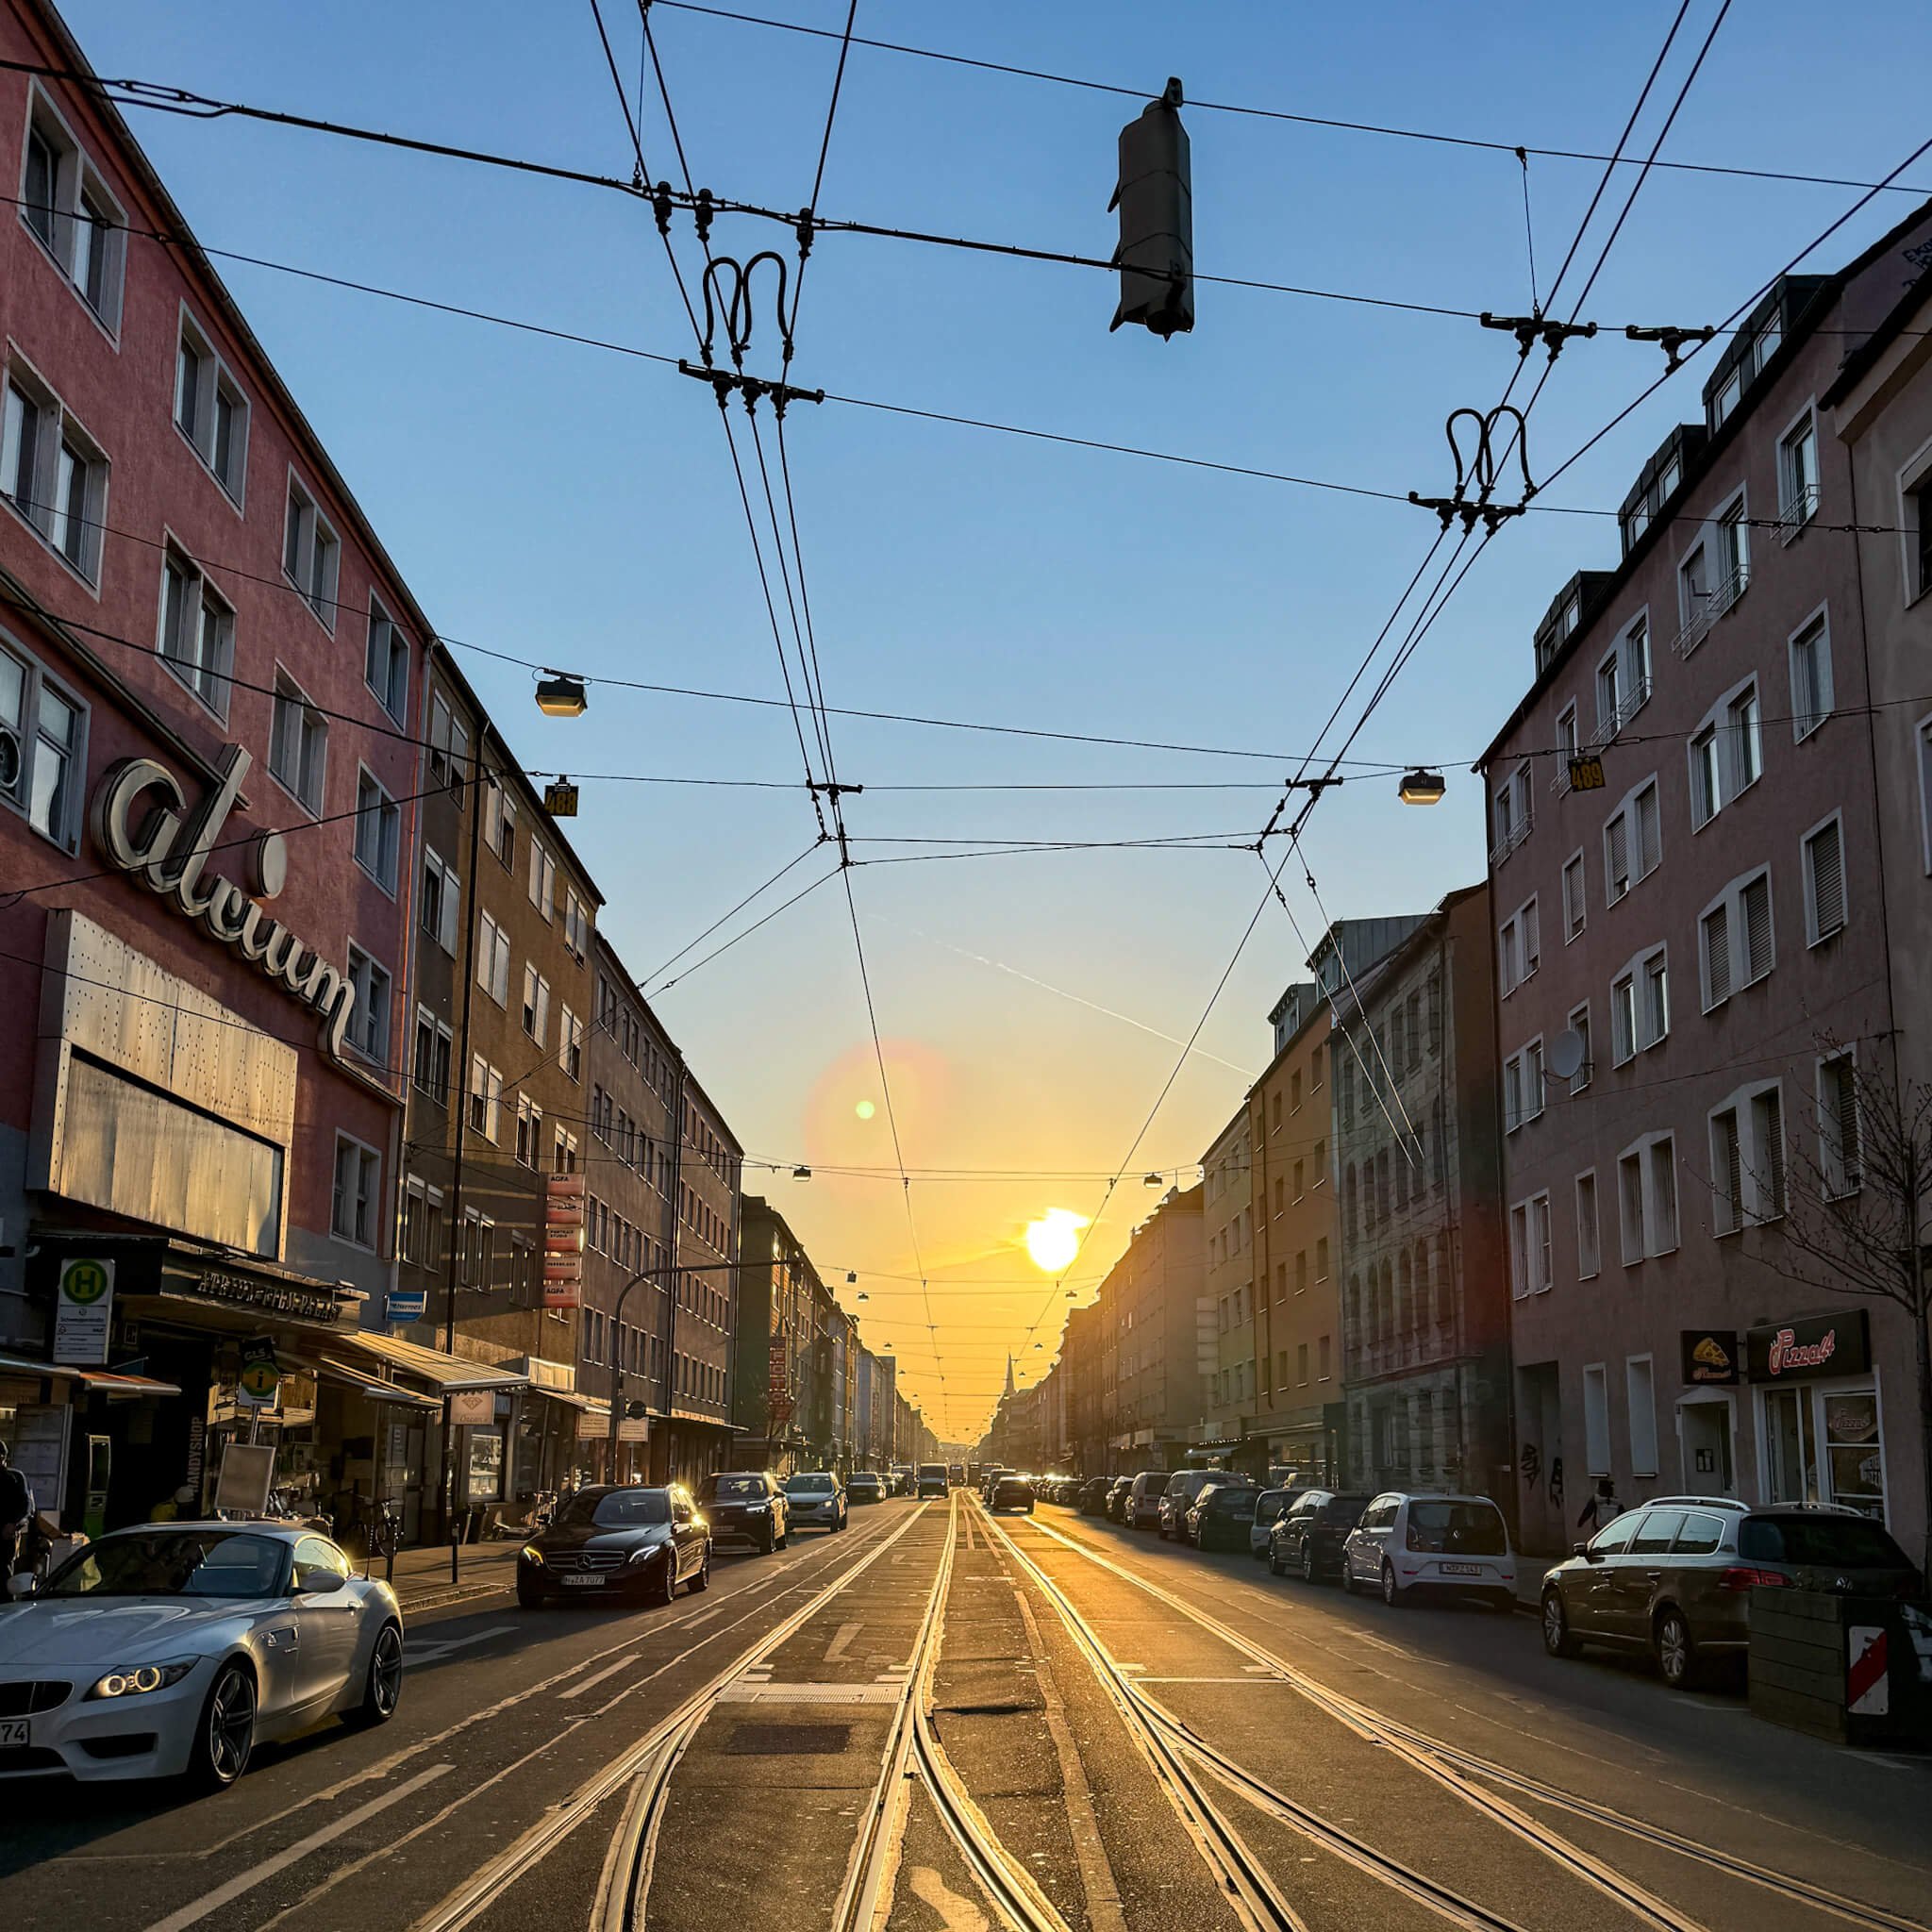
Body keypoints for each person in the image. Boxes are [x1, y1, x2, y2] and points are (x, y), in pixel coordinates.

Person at [1, 1441, 36, 1587]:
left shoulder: (14, 1478)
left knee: (3, 1577)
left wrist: (13, 1524)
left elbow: (27, 1506)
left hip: (4, 1536)